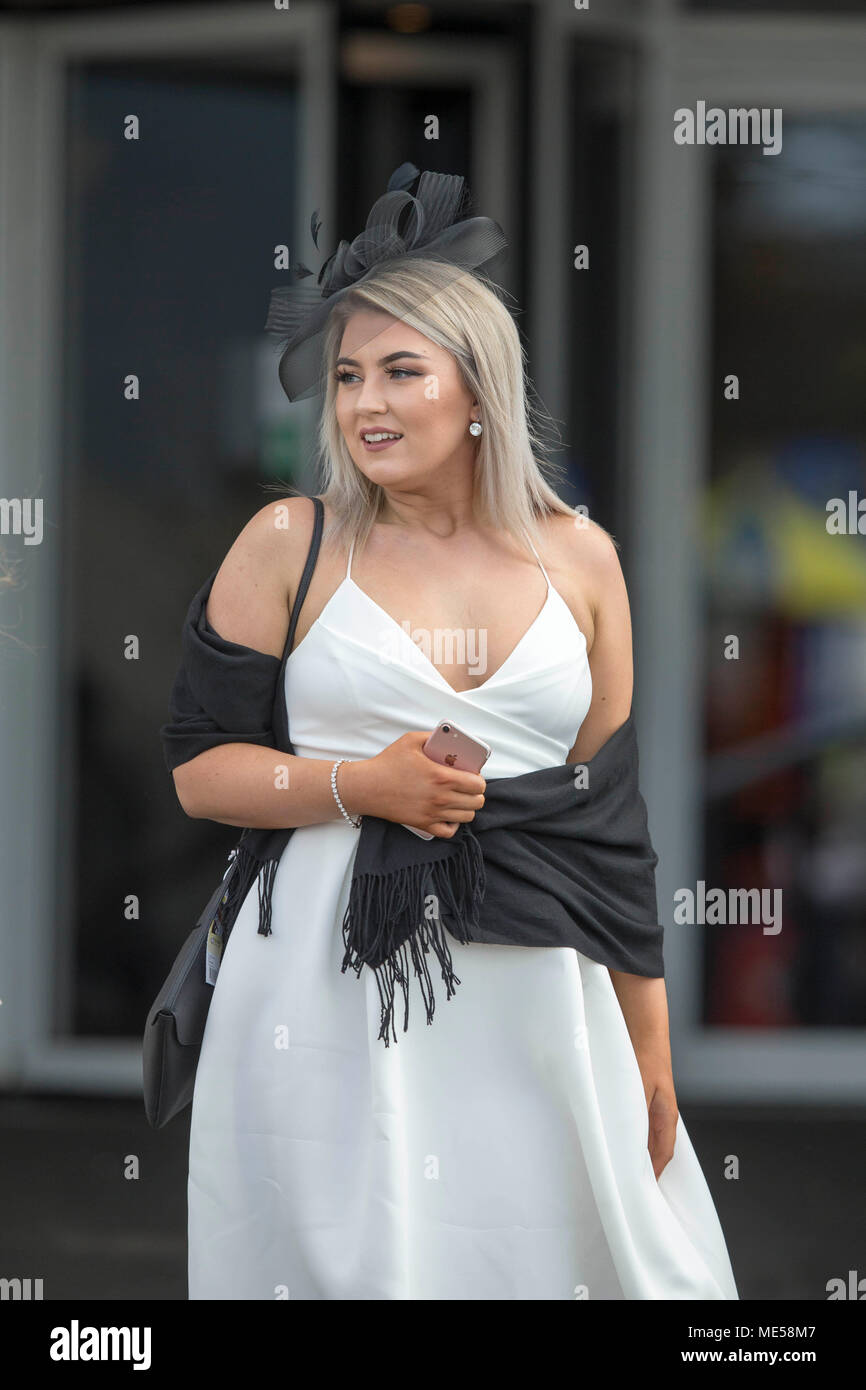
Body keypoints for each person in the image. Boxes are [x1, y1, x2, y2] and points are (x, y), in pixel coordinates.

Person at [169, 173, 738, 1300]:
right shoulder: (290, 541)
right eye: (343, 375)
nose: (361, 404)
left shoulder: (580, 555)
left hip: (540, 996)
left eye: (397, 372)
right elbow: (200, 772)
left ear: (477, 390)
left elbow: (607, 829)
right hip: (319, 994)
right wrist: (360, 784)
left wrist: (651, 1052)